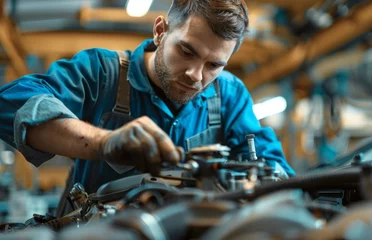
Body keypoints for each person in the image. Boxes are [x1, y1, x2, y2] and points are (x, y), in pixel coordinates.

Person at [0, 0, 295, 198]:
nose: (195, 74)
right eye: (187, 52)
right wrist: (105, 143)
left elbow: (275, 170)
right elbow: (11, 103)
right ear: (160, 31)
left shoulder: (229, 95)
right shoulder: (101, 73)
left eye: (214, 65)